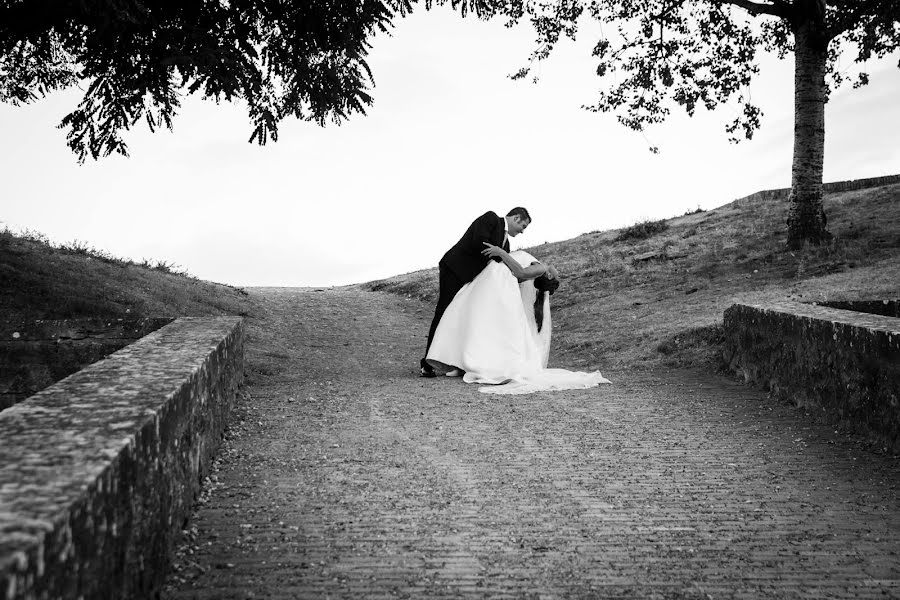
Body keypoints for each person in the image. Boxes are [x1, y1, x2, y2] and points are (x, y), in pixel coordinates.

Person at [426, 245, 611, 395]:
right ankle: (464, 362)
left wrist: (501, 252)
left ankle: (470, 362)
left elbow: (520, 273)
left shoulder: (539, 268)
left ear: (544, 276)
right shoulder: (539, 266)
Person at [420, 208, 532, 378]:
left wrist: (500, 255)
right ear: (516, 218)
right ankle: (427, 363)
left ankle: (455, 361)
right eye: (523, 226)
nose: (522, 231)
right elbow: (479, 242)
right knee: (444, 312)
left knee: (460, 316)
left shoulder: (506, 243)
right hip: (455, 271)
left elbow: (499, 261)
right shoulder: (491, 219)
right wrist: (498, 255)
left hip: (472, 280)